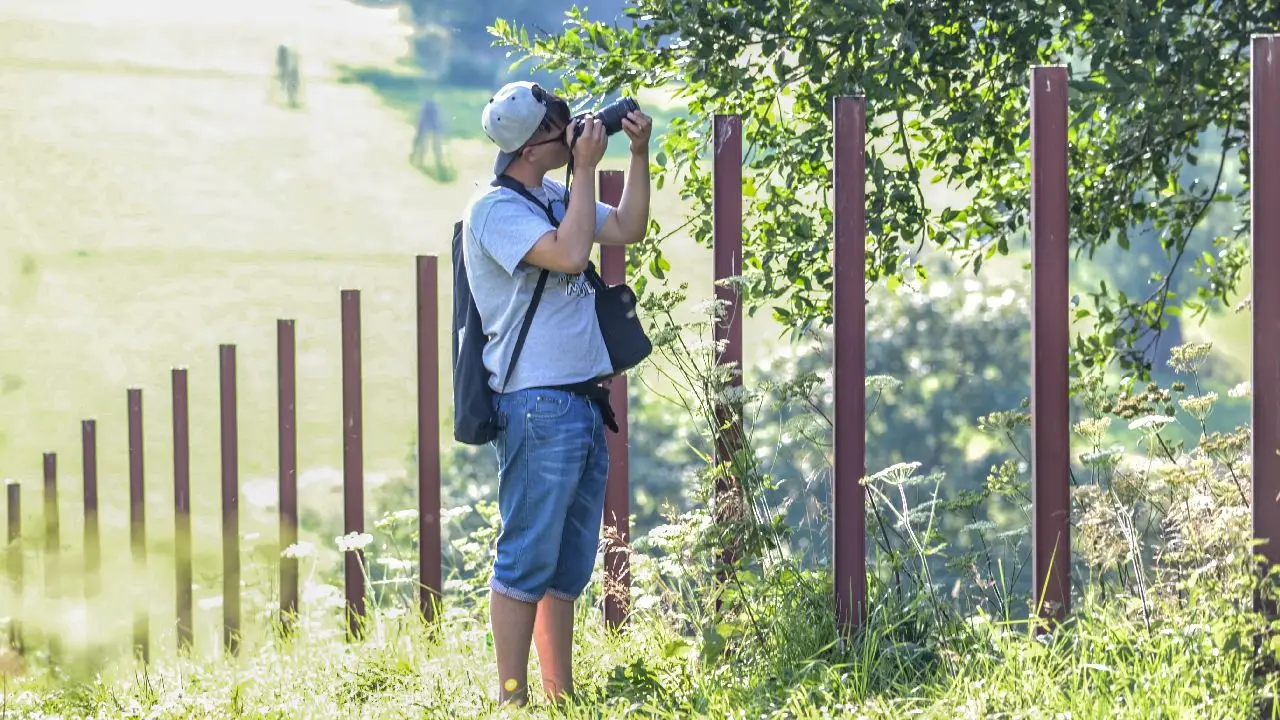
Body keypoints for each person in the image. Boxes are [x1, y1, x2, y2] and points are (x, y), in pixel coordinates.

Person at [462, 80, 653, 706]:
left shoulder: (549, 194)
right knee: (525, 557)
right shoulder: (494, 210)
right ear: (529, 147)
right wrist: (588, 168)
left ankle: (558, 696)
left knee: (567, 566)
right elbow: (572, 254)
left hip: (580, 398)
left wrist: (638, 155)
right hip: (536, 402)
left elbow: (626, 227)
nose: (568, 129)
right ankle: (511, 701)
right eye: (558, 125)